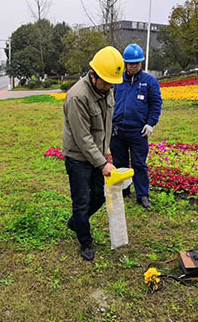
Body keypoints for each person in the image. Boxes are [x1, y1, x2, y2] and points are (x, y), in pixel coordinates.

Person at [62, 46, 124, 261]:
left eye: (112, 84)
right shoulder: (77, 97)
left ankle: (76, 222)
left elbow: (104, 125)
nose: (109, 87)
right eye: (105, 82)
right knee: (81, 200)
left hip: (98, 155)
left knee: (99, 195)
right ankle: (85, 241)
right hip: (78, 157)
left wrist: (105, 156)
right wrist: (102, 163)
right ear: (93, 75)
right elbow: (83, 138)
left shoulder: (107, 89)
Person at [110, 44, 163, 209]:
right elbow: (110, 101)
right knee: (120, 162)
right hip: (118, 130)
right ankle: (123, 190)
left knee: (139, 164)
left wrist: (150, 123)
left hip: (138, 132)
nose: (134, 66)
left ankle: (142, 195)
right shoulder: (117, 80)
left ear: (141, 63)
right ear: (125, 63)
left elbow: (156, 103)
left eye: (137, 63)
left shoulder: (149, 82)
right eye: (131, 63)